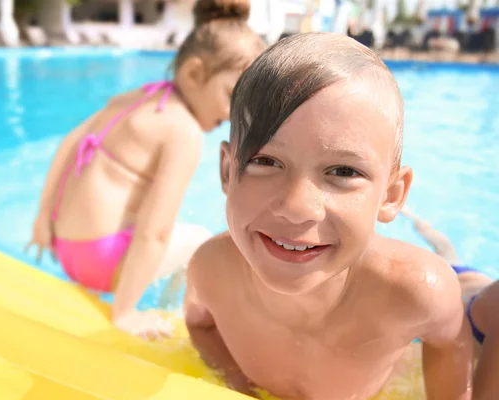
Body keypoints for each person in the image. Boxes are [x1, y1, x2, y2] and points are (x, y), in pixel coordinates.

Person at [184, 32, 473, 400]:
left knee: (462, 276)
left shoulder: (419, 292)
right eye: (266, 161)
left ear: (390, 195)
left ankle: (429, 231)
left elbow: (450, 345)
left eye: (343, 172)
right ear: (227, 171)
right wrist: (236, 383)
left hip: (452, 283)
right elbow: (199, 326)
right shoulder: (210, 269)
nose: (296, 205)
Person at [27, 0, 265, 338]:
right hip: (100, 263)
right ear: (195, 74)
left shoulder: (136, 97)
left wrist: (42, 218)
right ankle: (172, 319)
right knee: (201, 243)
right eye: (230, 96)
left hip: (66, 249)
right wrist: (122, 314)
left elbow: (70, 143)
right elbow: (155, 232)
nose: (231, 115)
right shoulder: (183, 131)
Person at [401, 206, 498, 400]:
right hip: (456, 304)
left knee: (443, 248)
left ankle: (412, 215)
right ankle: (410, 214)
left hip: (471, 280)